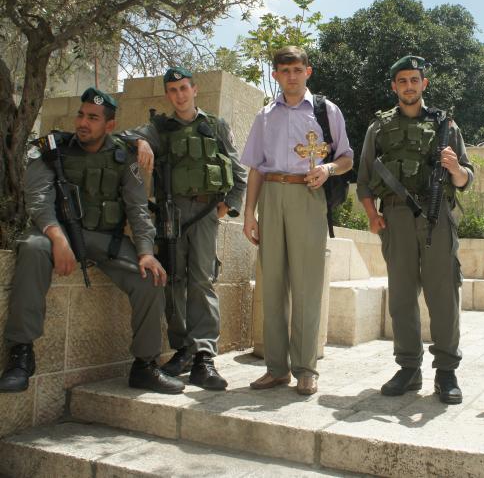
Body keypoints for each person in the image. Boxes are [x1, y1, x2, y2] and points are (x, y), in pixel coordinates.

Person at [0, 87, 184, 394]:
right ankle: (21, 355)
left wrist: (145, 252)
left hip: (106, 239)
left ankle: (145, 366)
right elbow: (38, 199)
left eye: (93, 118)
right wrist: (57, 238)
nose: (83, 123)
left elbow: (137, 209)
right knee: (32, 247)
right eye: (81, 115)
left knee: (151, 278)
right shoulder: (53, 148)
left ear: (109, 125)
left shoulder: (123, 156)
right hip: (56, 232)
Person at [357, 55, 474, 405]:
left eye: (414, 80)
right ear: (394, 86)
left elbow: (467, 178)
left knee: (443, 294)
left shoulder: (446, 126)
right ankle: (409, 368)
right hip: (395, 217)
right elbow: (364, 179)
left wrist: (455, 169)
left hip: (436, 216)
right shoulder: (378, 128)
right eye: (402, 81)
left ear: (424, 84)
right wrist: (372, 216)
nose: (409, 86)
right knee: (402, 296)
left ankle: (446, 371)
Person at [124, 67, 247, 391]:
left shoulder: (215, 125)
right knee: (173, 281)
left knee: (202, 279)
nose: (179, 95)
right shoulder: (160, 128)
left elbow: (239, 172)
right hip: (171, 213)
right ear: (168, 94)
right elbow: (123, 136)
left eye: (183, 88)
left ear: (194, 90)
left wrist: (225, 207)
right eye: (173, 90)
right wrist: (142, 141)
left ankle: (204, 356)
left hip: (205, 211)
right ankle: (184, 350)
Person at [241, 46, 353, 396]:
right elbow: (256, 167)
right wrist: (249, 213)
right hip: (272, 195)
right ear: (275, 74)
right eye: (284, 70)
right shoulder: (265, 116)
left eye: (297, 69)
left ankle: (305, 368)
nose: (291, 76)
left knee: (306, 284)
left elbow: (347, 158)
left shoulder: (325, 110)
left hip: (308, 195)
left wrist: (328, 168)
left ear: (308, 72)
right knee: (272, 284)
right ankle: (276, 368)